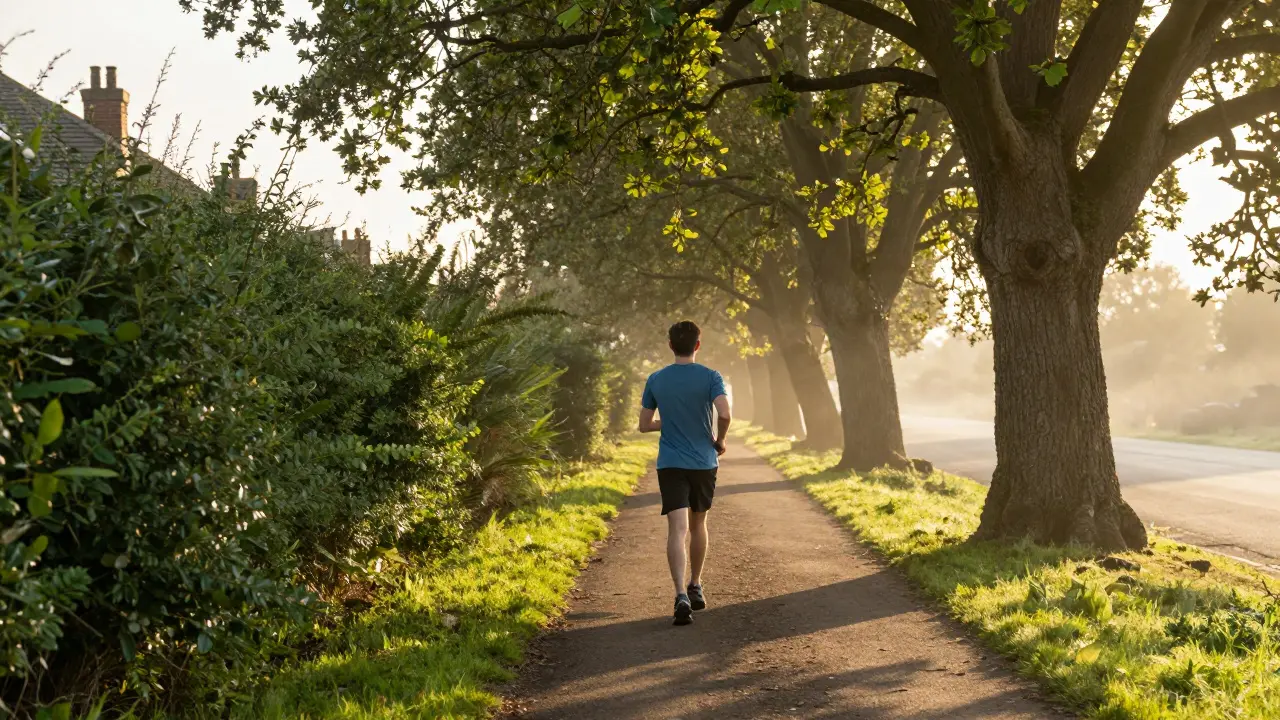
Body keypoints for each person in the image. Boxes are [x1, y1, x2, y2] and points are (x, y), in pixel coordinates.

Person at [638, 320, 731, 626]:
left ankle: (680, 594)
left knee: (677, 529)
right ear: (697, 345)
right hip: (704, 462)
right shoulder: (711, 376)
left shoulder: (656, 379)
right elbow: (725, 413)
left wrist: (670, 420)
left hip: (670, 463)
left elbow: (644, 425)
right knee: (698, 524)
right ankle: (695, 585)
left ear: (670, 345)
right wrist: (720, 440)